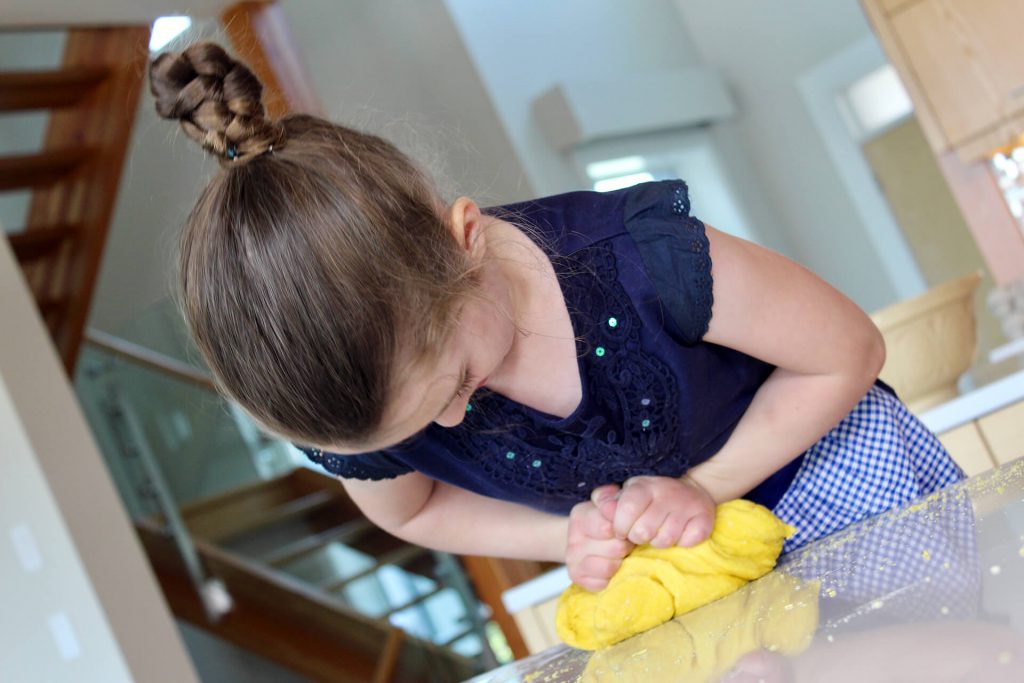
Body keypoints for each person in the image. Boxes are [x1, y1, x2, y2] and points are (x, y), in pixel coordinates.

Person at [150, 42, 964, 594]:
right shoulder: (360, 403)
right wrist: (572, 535)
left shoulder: (641, 259)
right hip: (688, 570)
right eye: (411, 431)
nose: (452, 420)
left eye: (457, 382)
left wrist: (698, 490)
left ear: (464, 238)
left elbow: (846, 350)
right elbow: (418, 509)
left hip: (841, 489)